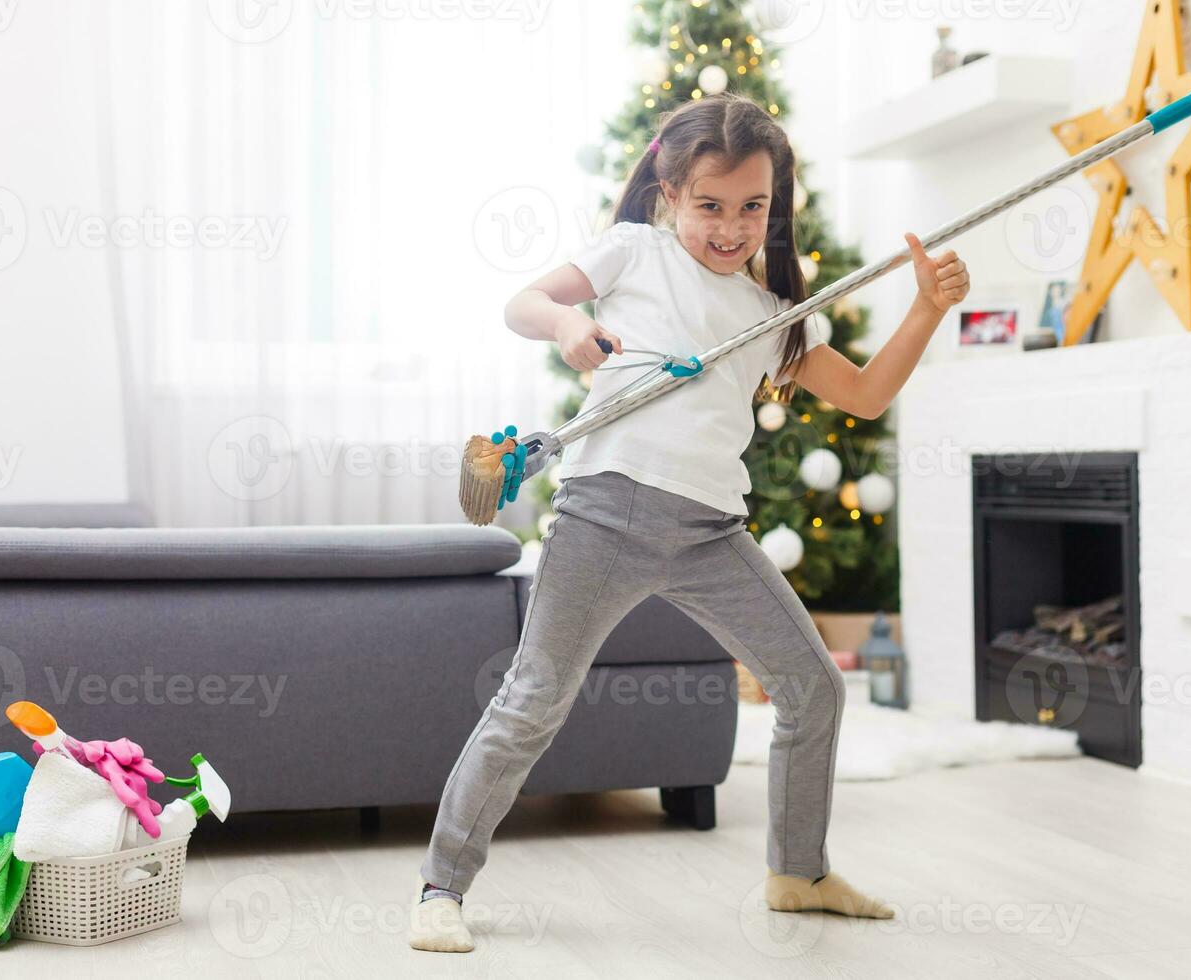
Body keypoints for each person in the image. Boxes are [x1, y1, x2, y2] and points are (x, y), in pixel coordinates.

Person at [410, 92, 970, 953]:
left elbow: (864, 393)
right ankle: (441, 886)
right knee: (534, 701)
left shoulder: (770, 313)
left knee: (814, 686)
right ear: (669, 192)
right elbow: (522, 303)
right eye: (710, 205)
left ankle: (798, 872)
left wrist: (928, 308)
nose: (732, 226)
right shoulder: (632, 253)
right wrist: (567, 324)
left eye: (754, 207)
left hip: (712, 530)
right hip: (605, 512)